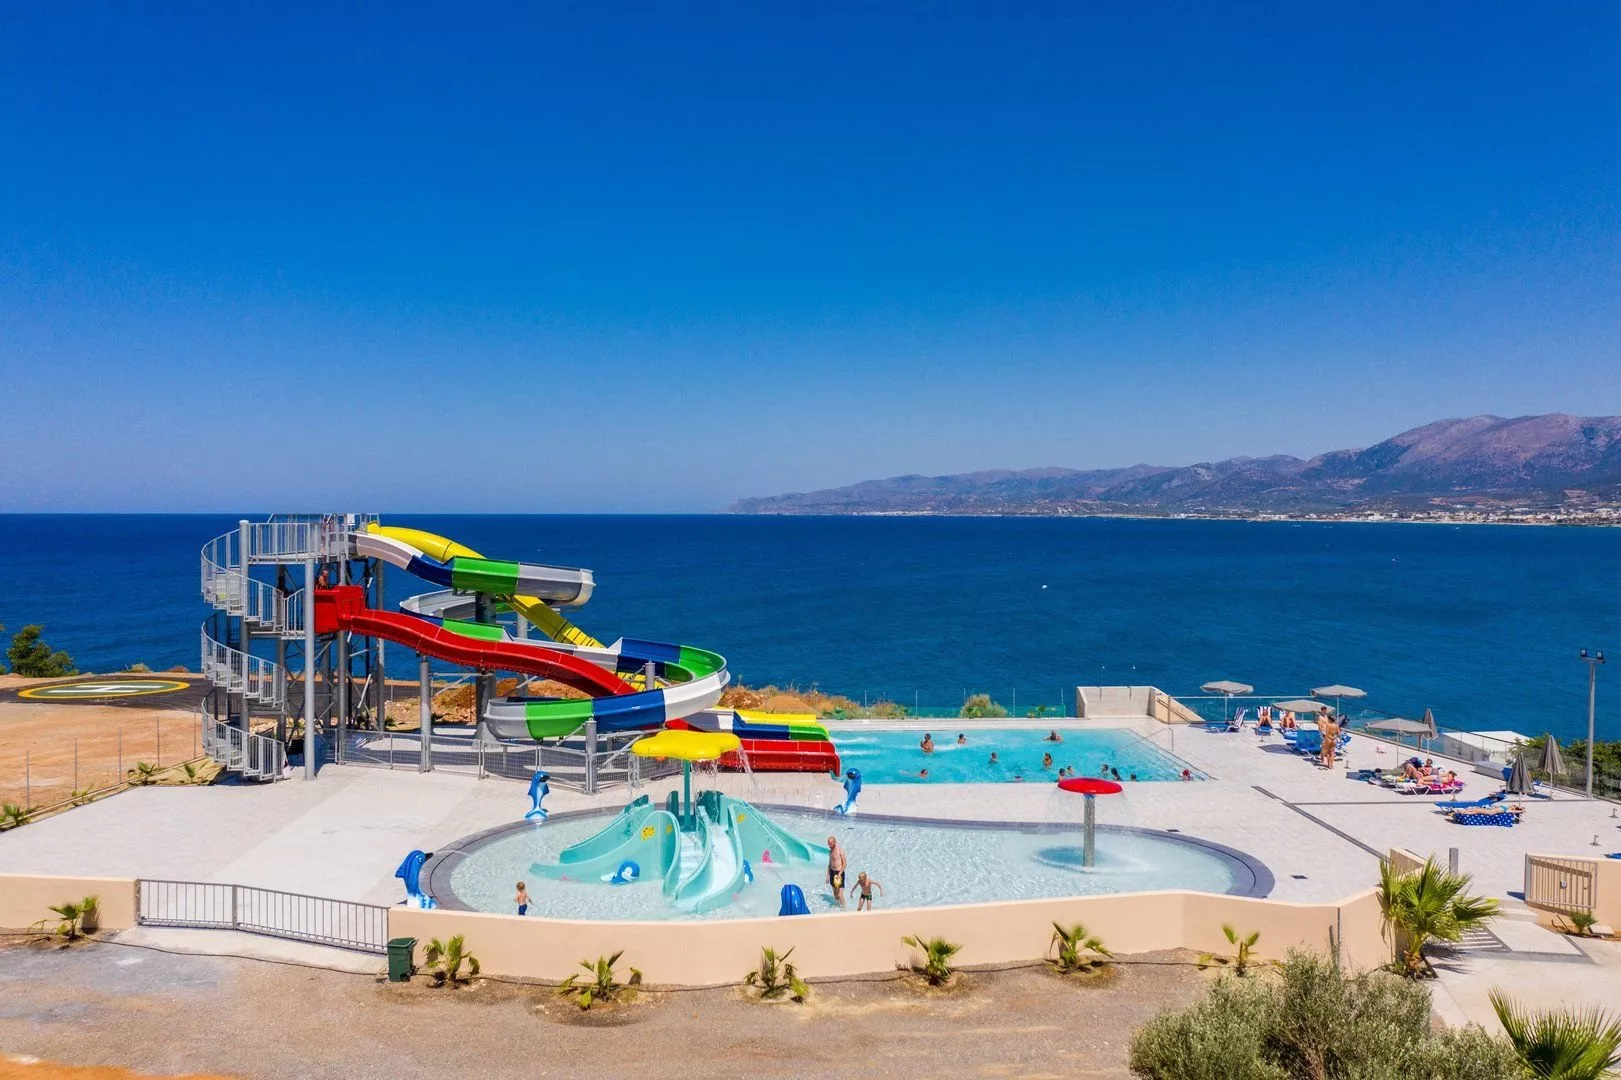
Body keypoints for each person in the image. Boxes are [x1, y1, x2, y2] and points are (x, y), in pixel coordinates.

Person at [826, 837, 848, 908]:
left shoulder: (840, 851)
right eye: (828, 844)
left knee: (840, 895)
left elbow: (844, 864)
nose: (830, 846)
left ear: (835, 842)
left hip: (839, 873)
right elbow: (830, 865)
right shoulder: (830, 852)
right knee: (835, 894)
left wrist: (839, 873)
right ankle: (837, 907)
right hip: (832, 873)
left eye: (831, 844)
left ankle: (844, 908)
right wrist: (828, 876)